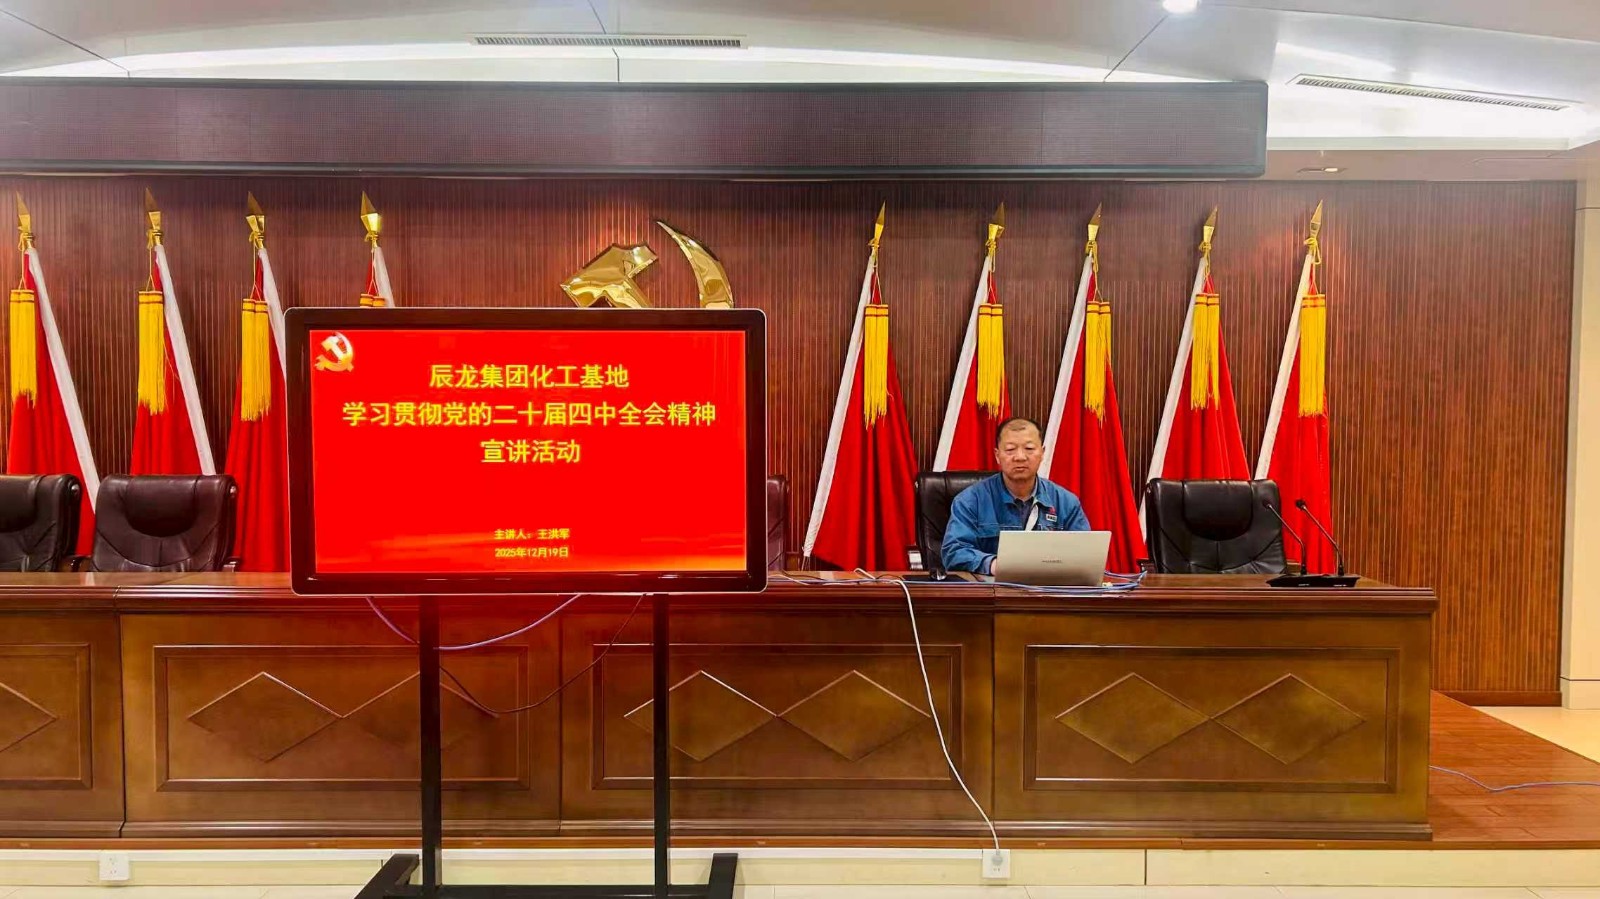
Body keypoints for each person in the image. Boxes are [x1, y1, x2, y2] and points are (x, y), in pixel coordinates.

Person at [940, 416, 1090, 577]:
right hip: (992, 590)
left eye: (1029, 448)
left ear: (1042, 453)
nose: (1020, 457)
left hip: (1048, 589)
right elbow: (954, 552)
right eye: (1010, 449)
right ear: (997, 455)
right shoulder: (970, 501)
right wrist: (994, 565)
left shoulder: (1066, 502)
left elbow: (1086, 556)